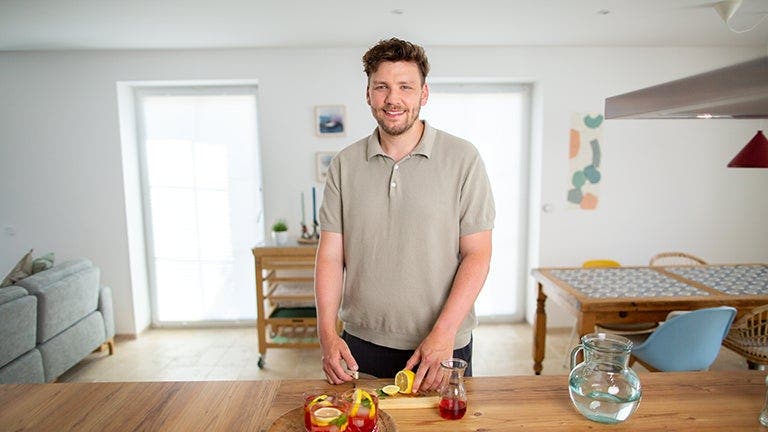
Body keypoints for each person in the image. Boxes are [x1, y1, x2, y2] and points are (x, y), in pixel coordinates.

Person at [315, 37, 495, 393]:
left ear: (423, 94)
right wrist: (326, 335)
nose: (392, 99)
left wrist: (444, 334)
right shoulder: (344, 165)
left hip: (442, 344)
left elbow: (478, 254)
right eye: (381, 86)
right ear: (368, 93)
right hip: (360, 344)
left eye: (405, 87)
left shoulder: (463, 159)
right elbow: (331, 257)